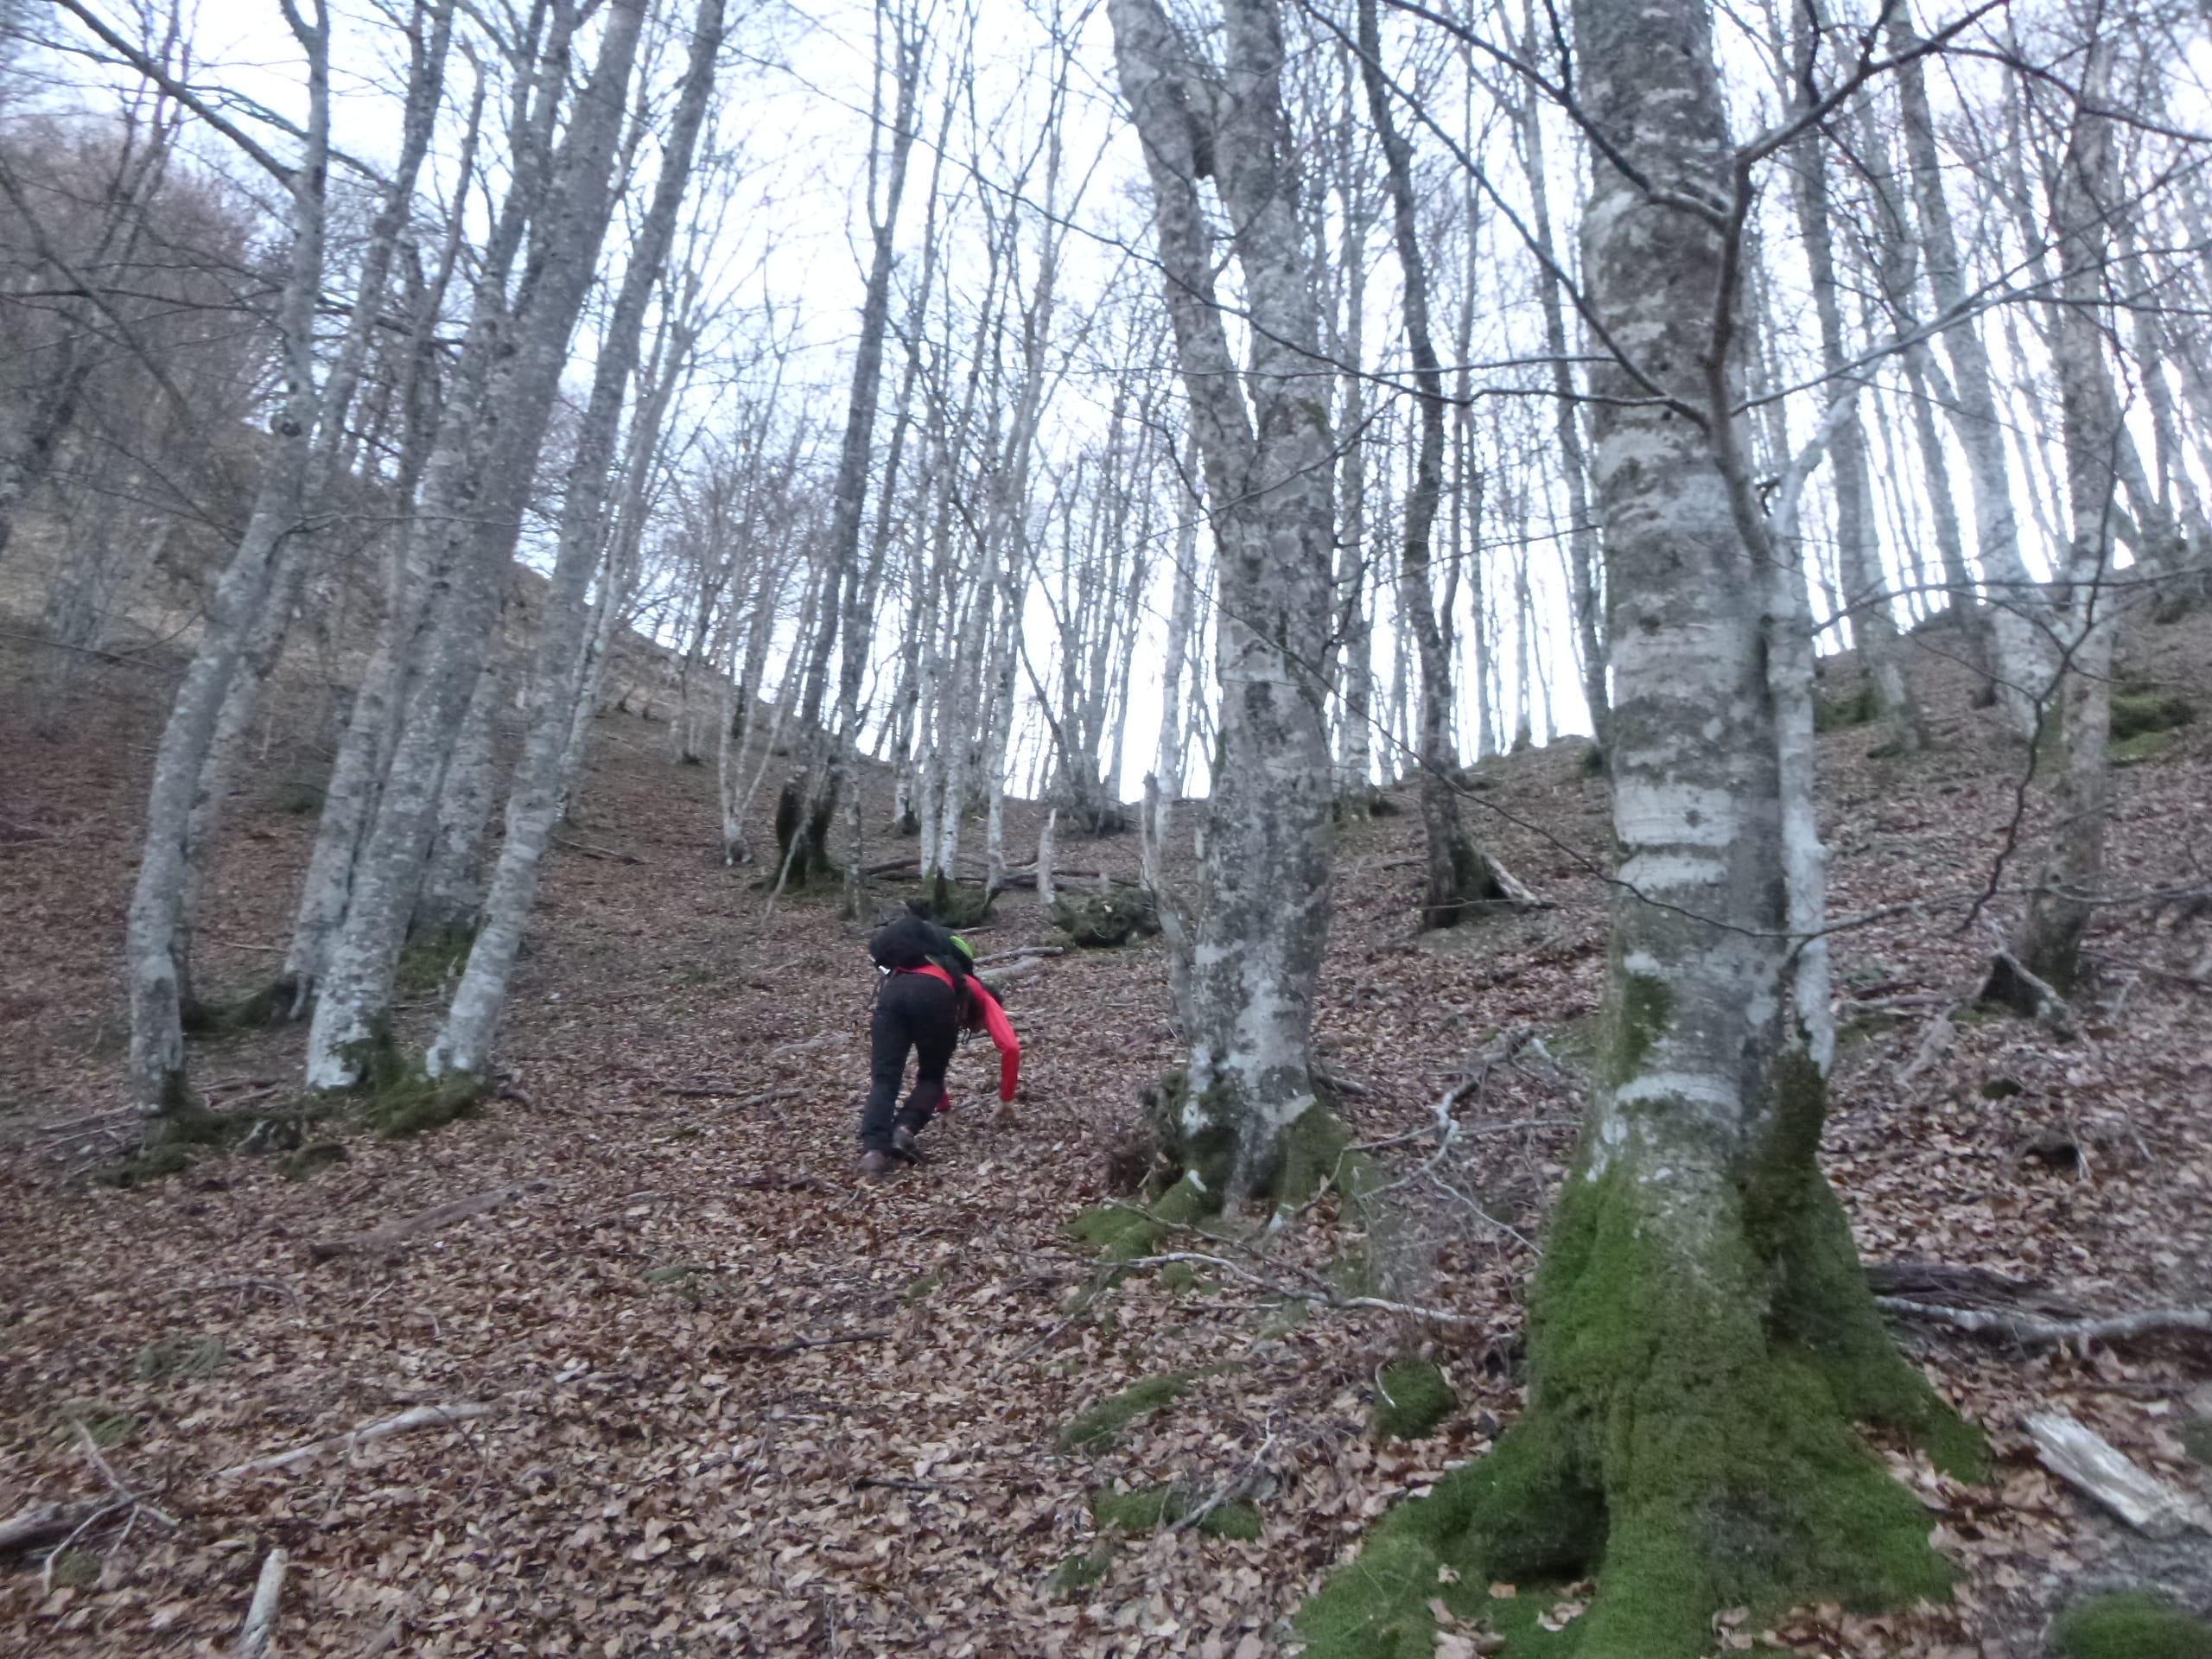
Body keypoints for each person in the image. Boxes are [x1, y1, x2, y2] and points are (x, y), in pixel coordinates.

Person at [859, 914, 1020, 1178]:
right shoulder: (978, 990)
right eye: (976, 1027)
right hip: (933, 994)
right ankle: (904, 1130)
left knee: (884, 1079)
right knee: (931, 1076)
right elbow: (1010, 1047)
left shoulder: (922, 966)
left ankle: (873, 1153)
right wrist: (1006, 1098)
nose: (974, 1030)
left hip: (892, 994)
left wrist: (945, 1110)